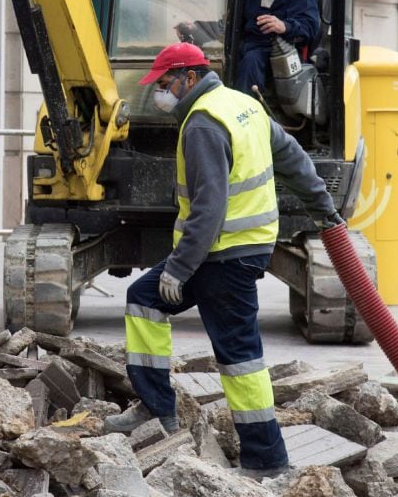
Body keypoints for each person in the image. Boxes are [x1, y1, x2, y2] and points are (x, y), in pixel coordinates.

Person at [103, 41, 344, 478]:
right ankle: (158, 409)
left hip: (224, 255)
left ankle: (267, 461)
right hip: (235, 249)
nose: (159, 92)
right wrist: (322, 205)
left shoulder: (202, 124)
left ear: (189, 78)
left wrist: (178, 267)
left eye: (164, 83)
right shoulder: (240, 104)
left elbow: (208, 208)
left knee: (239, 356)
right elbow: (290, 155)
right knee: (144, 297)